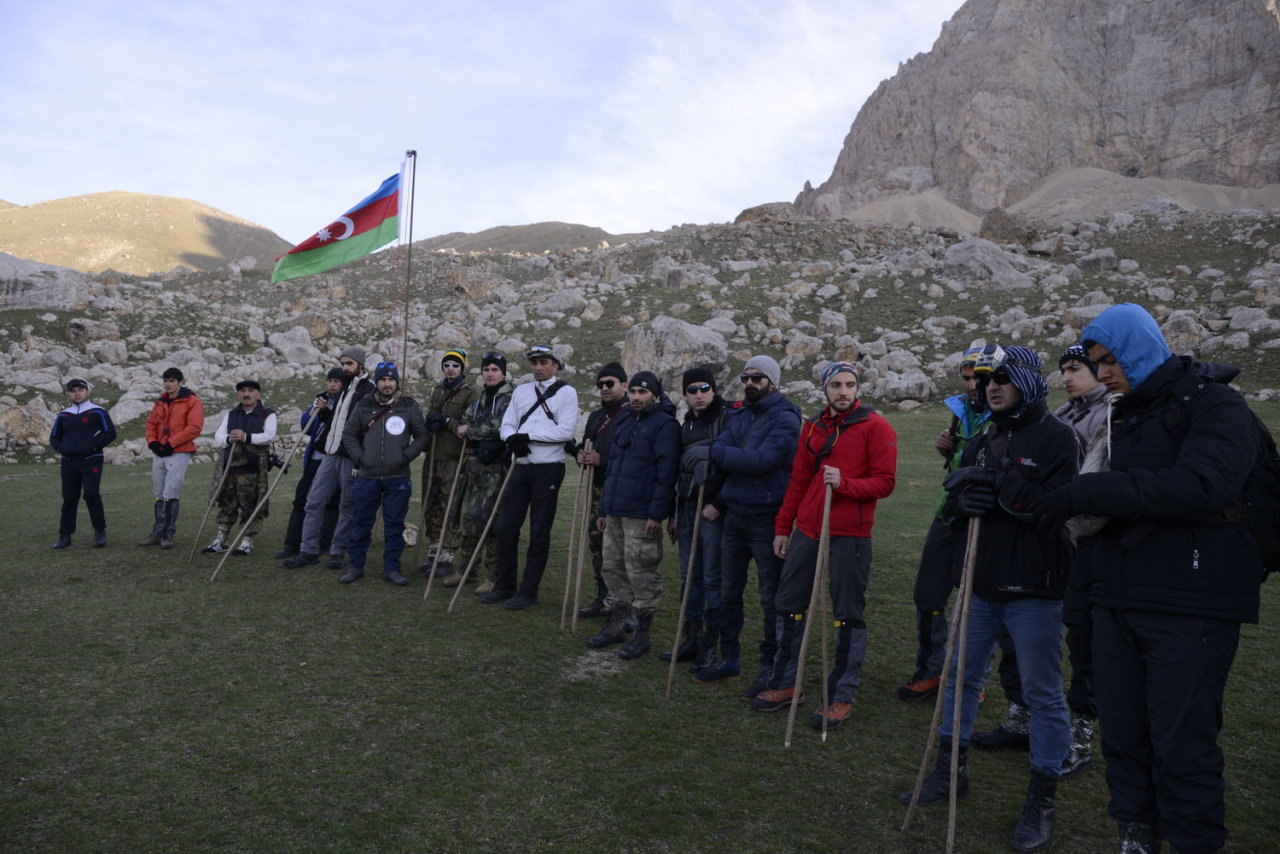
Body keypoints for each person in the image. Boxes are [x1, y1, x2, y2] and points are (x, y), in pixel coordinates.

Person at [1031, 303, 1265, 854]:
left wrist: (1085, 493)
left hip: (1192, 601)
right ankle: (1134, 837)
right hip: (1118, 596)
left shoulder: (1217, 407)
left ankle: (1192, 842)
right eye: (1095, 361)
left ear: (1141, 347)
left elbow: (1198, 487)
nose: (1104, 371)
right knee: (1126, 734)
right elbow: (1112, 517)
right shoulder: (1126, 413)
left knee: (1181, 740)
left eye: (1110, 360)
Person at [900, 345, 1078, 854]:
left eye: (1001, 378)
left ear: (1026, 380)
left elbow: (1054, 507)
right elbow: (960, 503)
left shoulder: (1057, 438)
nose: (990, 386)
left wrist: (997, 486)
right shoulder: (984, 438)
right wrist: (961, 502)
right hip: (978, 584)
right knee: (959, 681)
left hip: (1036, 589)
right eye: (984, 380)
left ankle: (1041, 799)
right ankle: (949, 774)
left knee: (1043, 694)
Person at [977, 345, 1111, 767]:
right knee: (1016, 641)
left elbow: (1082, 486)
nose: (1067, 377)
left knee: (1080, 640)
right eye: (1062, 370)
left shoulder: (1106, 417)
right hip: (1037, 544)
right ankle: (1020, 718)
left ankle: (1081, 734)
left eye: (1076, 369)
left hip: (1084, 541)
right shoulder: (1065, 414)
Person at [756, 362, 897, 730]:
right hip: (808, 530)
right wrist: (783, 527)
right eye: (836, 385)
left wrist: (846, 483)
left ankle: (841, 695)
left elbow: (885, 483)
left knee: (847, 613)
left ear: (858, 388)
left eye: (849, 385)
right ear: (825, 388)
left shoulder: (877, 427)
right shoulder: (813, 427)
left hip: (850, 533)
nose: (843, 391)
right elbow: (799, 481)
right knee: (789, 605)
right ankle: (788, 683)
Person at [690, 355, 802, 700]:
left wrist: (718, 454)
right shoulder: (740, 414)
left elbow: (764, 461)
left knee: (771, 598)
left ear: (773, 381)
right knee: (728, 592)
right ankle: (729, 659)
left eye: (757, 378)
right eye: (747, 377)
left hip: (767, 518)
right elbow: (728, 445)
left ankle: (772, 669)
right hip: (735, 514)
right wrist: (725, 452)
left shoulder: (785, 417)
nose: (750, 383)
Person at [899, 347, 990, 701]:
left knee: (975, 601)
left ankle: (972, 680)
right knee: (928, 593)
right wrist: (947, 450)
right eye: (966, 378)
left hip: (983, 519)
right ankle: (932, 669)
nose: (970, 386)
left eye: (977, 379)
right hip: (947, 513)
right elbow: (960, 463)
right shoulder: (961, 412)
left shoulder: (1005, 415)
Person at [588, 371, 680, 659]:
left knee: (641, 572)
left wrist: (658, 513)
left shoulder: (666, 426)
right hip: (615, 510)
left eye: (643, 392)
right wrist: (604, 509)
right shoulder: (625, 420)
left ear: (654, 394)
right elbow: (613, 468)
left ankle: (642, 634)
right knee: (613, 568)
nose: (637, 397)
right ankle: (616, 624)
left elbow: (667, 474)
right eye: (634, 392)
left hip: (642, 514)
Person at [485, 344, 579, 610]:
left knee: (539, 531)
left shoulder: (567, 393)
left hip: (548, 466)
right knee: (506, 527)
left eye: (544, 362)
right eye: (534, 363)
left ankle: (529, 591)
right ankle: (504, 585)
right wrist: (511, 438)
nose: (538, 367)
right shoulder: (522, 391)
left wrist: (528, 436)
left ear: (556, 365)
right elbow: (508, 423)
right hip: (520, 464)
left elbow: (565, 431)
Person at [283, 346, 375, 569]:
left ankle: (337, 551)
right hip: (329, 455)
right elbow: (337, 419)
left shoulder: (369, 390)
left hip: (351, 457)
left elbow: (367, 426)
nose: (345, 367)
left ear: (360, 365)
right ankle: (308, 550)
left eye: (349, 364)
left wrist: (360, 456)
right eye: (343, 363)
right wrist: (324, 412)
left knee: (347, 505)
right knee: (314, 501)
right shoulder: (343, 388)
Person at [661, 367, 728, 668]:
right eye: (692, 390)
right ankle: (692, 637)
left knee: (713, 577)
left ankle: (711, 645)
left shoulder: (727, 419)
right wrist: (674, 513)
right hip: (687, 506)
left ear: (713, 390)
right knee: (689, 576)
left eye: (704, 388)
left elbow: (734, 462)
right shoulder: (686, 423)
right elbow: (678, 470)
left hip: (712, 509)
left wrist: (719, 504)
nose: (699, 395)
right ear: (685, 394)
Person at [338, 362, 428, 586]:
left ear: (396, 381)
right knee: (361, 522)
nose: (387, 384)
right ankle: (356, 566)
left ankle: (392, 569)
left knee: (395, 524)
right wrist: (361, 458)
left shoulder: (408, 405)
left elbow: (423, 436)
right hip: (367, 476)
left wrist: (405, 457)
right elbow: (349, 435)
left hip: (397, 477)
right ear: (376, 382)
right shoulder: (363, 404)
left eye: (391, 379)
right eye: (383, 380)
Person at [445, 352, 514, 590]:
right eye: (486, 369)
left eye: (495, 369)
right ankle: (466, 570)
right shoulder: (480, 400)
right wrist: (465, 428)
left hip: (495, 469)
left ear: (503, 373)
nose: (490, 373)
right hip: (472, 467)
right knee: (469, 519)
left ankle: (493, 576)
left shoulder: (510, 399)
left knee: (491, 521)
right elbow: (464, 422)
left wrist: (471, 431)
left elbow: (498, 427)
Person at [572, 362, 629, 617]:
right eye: (600, 385)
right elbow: (588, 446)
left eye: (610, 383)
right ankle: (603, 597)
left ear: (624, 385)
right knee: (597, 544)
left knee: (621, 549)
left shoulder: (630, 415)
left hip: (622, 492)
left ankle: (625, 605)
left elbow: (634, 457)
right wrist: (582, 456)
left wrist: (601, 460)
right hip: (596, 490)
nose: (604, 388)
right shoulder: (595, 416)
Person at [419, 348, 478, 575]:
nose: (450, 369)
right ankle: (434, 548)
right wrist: (431, 423)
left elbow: (468, 426)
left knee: (449, 504)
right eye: (446, 365)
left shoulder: (471, 393)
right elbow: (431, 416)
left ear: (462, 368)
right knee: (430, 501)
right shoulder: (437, 390)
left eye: (455, 365)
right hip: (433, 454)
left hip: (453, 457)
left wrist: (446, 421)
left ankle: (448, 553)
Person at [203, 380, 278, 556]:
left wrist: (246, 437)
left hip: (253, 469)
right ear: (238, 394)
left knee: (250, 505)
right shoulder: (232, 414)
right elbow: (219, 437)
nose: (246, 394)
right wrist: (229, 439)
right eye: (243, 391)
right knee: (227, 504)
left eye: (251, 391)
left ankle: (246, 541)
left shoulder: (267, 414)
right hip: (230, 468)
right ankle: (222, 539)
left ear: (258, 394)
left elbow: (269, 436)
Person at [276, 368, 344, 559]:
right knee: (301, 500)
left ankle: (324, 542)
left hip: (332, 459)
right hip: (314, 459)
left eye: (337, 381)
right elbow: (306, 426)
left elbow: (339, 426)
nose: (332, 384)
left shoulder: (345, 402)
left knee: (331, 503)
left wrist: (327, 412)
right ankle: (292, 543)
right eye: (330, 380)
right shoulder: (320, 399)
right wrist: (315, 410)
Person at [139, 367, 204, 549]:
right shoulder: (161, 402)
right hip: (160, 451)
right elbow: (151, 423)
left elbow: (194, 427)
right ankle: (157, 532)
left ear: (180, 382)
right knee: (159, 492)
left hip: (179, 451)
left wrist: (171, 443)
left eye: (172, 380)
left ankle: (168, 534)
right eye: (166, 380)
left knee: (170, 492)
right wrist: (153, 442)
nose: (168, 384)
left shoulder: (192, 401)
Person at [50, 378, 117, 549]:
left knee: (91, 494)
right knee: (69, 498)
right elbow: (54, 437)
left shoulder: (98, 411)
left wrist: (94, 446)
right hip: (68, 462)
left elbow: (110, 433)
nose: (77, 393)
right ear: (68, 394)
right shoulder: (64, 415)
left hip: (91, 460)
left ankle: (99, 531)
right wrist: (62, 448)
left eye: (80, 390)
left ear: (87, 392)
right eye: (73, 391)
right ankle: (65, 535)